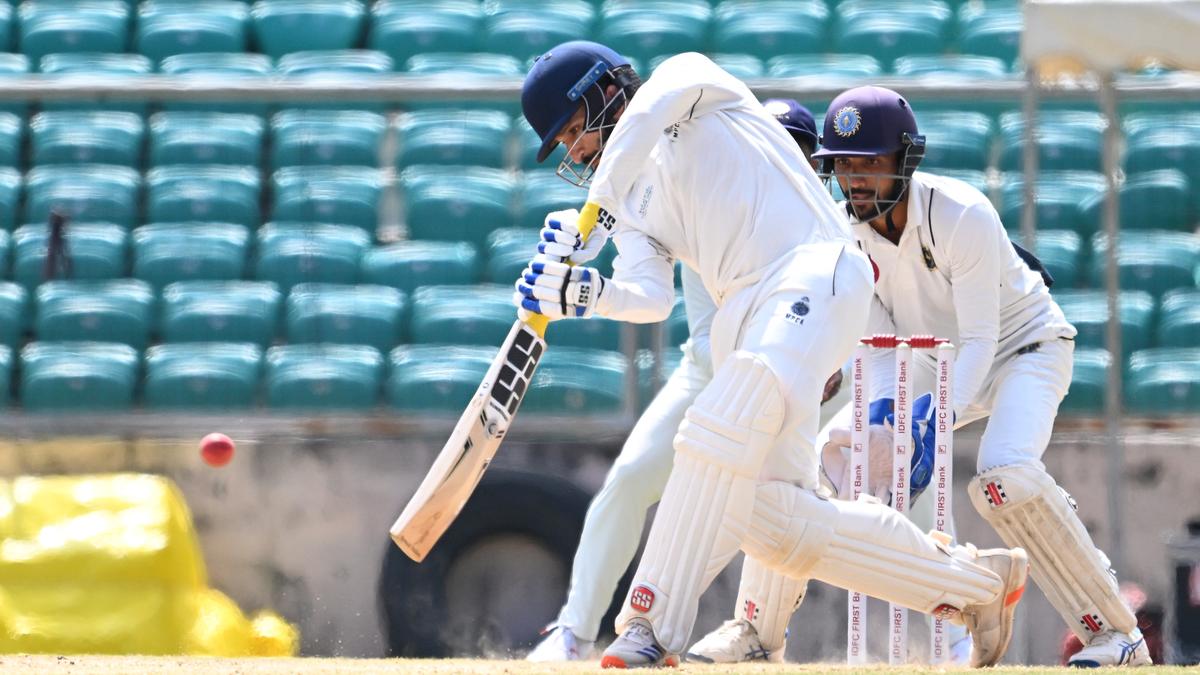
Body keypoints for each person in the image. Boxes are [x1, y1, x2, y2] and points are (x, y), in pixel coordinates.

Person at [515, 41, 1029, 669]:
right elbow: (648, 296)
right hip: (742, 316)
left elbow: (645, 120)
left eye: (573, 131)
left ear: (604, 91)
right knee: (781, 524)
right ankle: (977, 586)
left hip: (812, 273)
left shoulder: (689, 83)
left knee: (718, 423)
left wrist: (590, 220)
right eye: (562, 145)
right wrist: (585, 292)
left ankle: (648, 628)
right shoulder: (624, 201)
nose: (575, 151)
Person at [693, 84, 1150, 668]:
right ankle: (757, 634)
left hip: (1023, 350)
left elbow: (982, 338)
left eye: (871, 163)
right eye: (844, 165)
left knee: (1003, 477)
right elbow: (881, 348)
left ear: (905, 160)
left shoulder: (961, 213)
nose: (856, 179)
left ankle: (1115, 635)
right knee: (810, 476)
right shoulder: (841, 235)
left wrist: (933, 423)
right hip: (933, 360)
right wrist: (884, 424)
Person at [526, 99, 830, 663]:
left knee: (803, 502)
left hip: (801, 379)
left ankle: (944, 609)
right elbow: (679, 312)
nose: (789, 165)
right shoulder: (714, 191)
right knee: (632, 480)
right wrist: (592, 281)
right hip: (711, 371)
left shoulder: (824, 232)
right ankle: (575, 632)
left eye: (801, 154)